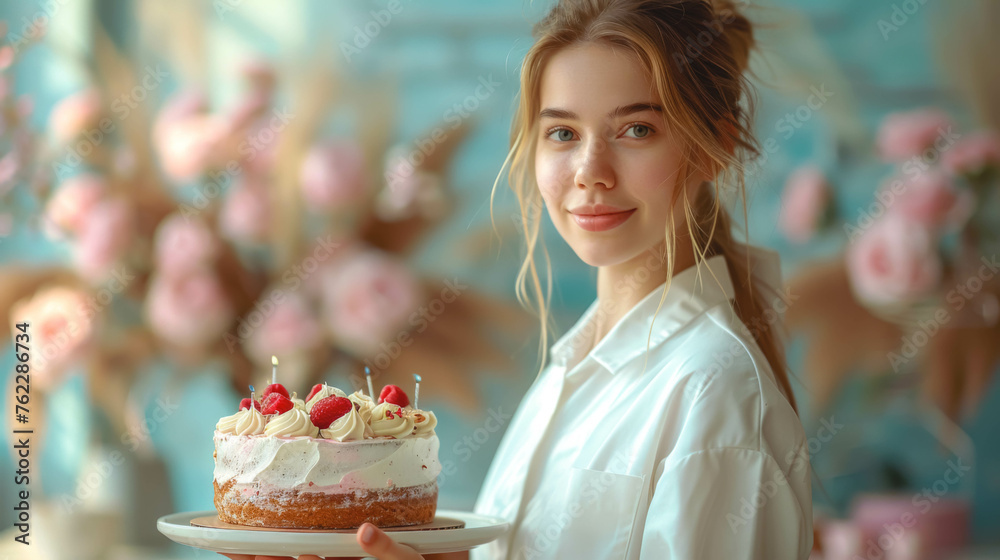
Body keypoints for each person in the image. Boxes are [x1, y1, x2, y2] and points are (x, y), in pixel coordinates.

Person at [222, 0, 813, 558]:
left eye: (637, 130)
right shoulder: (575, 370)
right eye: (563, 133)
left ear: (716, 144)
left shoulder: (716, 395)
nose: (590, 172)